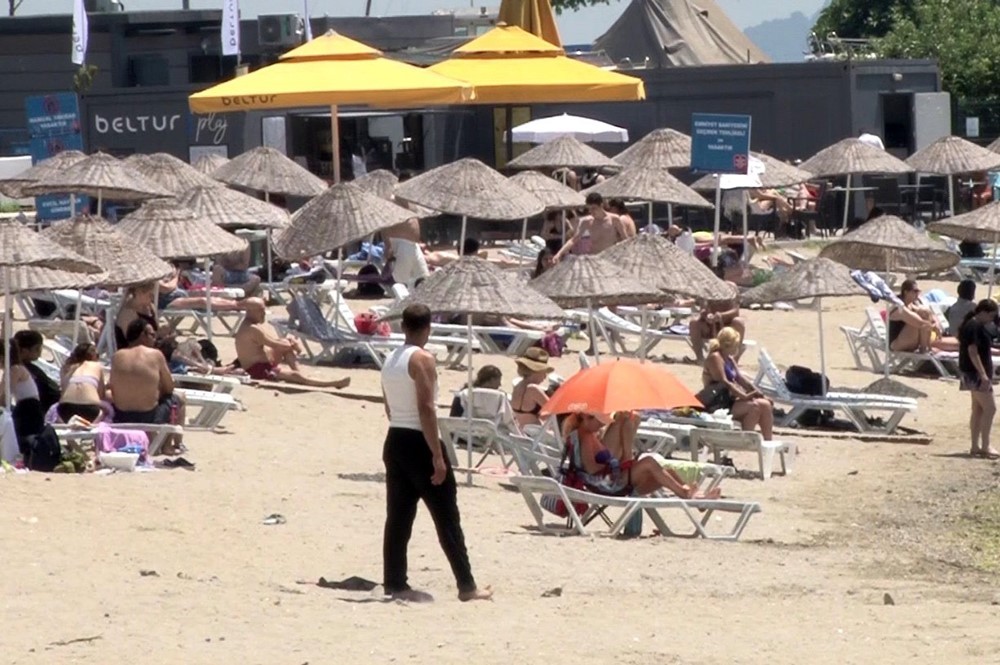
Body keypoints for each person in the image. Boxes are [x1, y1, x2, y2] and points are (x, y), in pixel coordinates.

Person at [380, 304, 492, 602]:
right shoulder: (423, 358)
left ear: (403, 327)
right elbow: (427, 407)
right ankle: (467, 586)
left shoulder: (390, 359)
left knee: (399, 516)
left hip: (395, 438)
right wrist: (437, 455)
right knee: (446, 515)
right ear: (427, 329)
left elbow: (389, 406)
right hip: (419, 439)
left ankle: (394, 580)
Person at [564, 410, 717, 499]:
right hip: (606, 484)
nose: (601, 423)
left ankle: (696, 497)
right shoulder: (583, 437)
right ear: (585, 418)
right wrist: (618, 461)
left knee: (668, 471)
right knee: (649, 462)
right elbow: (592, 470)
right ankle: (685, 493)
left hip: (611, 480)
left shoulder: (589, 434)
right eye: (598, 420)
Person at [234, 298, 350, 388]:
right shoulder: (252, 329)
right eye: (260, 310)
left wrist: (289, 342)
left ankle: (299, 373)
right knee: (294, 372)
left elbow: (275, 342)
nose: (264, 313)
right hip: (257, 370)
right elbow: (275, 345)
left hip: (262, 362)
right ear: (250, 312)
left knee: (285, 343)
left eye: (264, 310)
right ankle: (333, 383)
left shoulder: (251, 326)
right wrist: (294, 345)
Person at [108, 319, 185, 454]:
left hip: (121, 416)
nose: (155, 339)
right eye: (152, 335)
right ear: (142, 335)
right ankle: (173, 445)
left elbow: (113, 387)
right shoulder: (155, 355)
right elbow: (169, 389)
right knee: (179, 398)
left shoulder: (117, 356)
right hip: (149, 417)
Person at [702, 327, 774, 440]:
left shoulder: (729, 358)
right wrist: (744, 396)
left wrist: (760, 394)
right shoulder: (715, 357)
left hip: (729, 400)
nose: (738, 347)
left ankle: (768, 441)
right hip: (717, 403)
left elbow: (741, 379)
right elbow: (724, 382)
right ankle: (744, 440)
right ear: (728, 344)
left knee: (765, 404)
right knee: (754, 407)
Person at [958, 299, 1000, 459]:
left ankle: (975, 446)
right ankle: (985, 445)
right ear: (983, 312)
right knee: (990, 408)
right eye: (991, 316)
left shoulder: (970, 324)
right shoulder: (974, 326)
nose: (991, 319)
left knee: (978, 409)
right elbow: (972, 351)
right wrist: (983, 374)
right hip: (975, 373)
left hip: (969, 372)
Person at [888, 280, 959, 353]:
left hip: (918, 339)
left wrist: (935, 323)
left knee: (960, 344)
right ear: (906, 292)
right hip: (897, 343)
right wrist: (934, 327)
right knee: (922, 315)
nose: (917, 294)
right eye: (915, 291)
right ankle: (924, 349)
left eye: (918, 291)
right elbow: (919, 323)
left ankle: (926, 347)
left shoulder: (913, 303)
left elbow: (929, 314)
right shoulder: (899, 307)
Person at [553, 193, 628, 260]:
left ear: (601, 205)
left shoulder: (615, 219)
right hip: (594, 258)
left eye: (594, 208)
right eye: (589, 209)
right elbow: (573, 240)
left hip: (610, 258)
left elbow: (625, 239)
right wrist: (559, 254)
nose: (591, 211)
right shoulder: (587, 222)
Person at [58, 343, 109, 424]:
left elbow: (63, 390)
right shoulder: (96, 366)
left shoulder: (67, 367)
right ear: (93, 356)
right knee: (109, 411)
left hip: (65, 409)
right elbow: (101, 395)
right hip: (90, 409)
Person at [13, 330, 60, 412]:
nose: (40, 352)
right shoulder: (20, 370)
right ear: (24, 351)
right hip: (45, 409)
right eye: (37, 349)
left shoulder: (29, 367)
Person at [689, 297, 745, 363]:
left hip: (727, 325)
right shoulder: (708, 289)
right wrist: (707, 315)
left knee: (738, 322)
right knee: (694, 323)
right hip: (710, 325)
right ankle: (700, 358)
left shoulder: (731, 289)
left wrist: (722, 315)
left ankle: (734, 359)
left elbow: (736, 311)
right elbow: (703, 309)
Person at [510, 348, 554, 428]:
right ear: (536, 371)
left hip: (519, 431)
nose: (545, 377)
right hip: (535, 434)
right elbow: (553, 409)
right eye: (543, 372)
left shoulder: (517, 386)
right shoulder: (533, 389)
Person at [383, 216, 430, 289]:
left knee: (423, 278)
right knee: (400, 282)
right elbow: (384, 222)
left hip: (414, 245)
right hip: (401, 243)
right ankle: (400, 299)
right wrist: (388, 245)